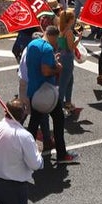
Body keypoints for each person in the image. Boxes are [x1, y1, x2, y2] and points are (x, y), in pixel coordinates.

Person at [25, 26, 78, 165]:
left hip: (33, 91)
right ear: (53, 36)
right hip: (46, 93)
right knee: (59, 120)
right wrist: (58, 67)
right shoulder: (47, 48)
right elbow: (46, 71)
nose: (57, 44)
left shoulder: (32, 44)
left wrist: (53, 60)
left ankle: (25, 154)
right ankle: (62, 154)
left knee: (33, 124)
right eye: (57, 41)